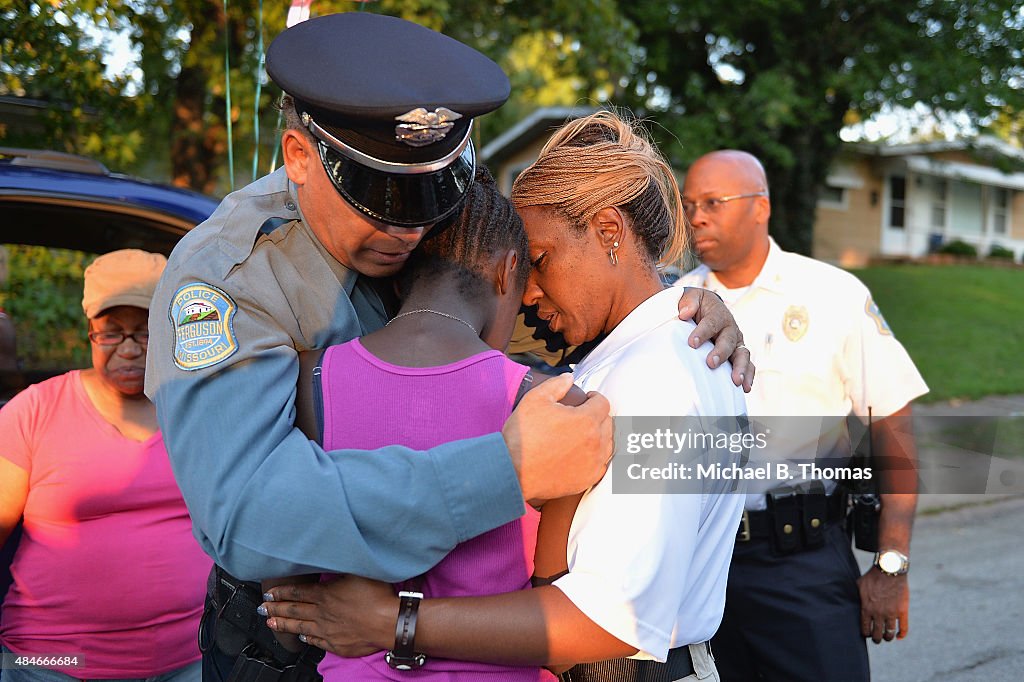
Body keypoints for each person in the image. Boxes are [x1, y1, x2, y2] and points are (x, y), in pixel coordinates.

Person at [145, 13, 752, 679]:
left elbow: (537, 307)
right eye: (379, 195)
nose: (406, 230)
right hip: (288, 641)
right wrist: (507, 470)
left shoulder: (426, 228)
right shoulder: (231, 276)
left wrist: (678, 306)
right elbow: (249, 515)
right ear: (298, 156)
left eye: (427, 194)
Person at [261, 110, 747, 682]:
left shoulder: (658, 374)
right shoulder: (641, 351)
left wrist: (394, 621)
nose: (529, 294)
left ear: (609, 232)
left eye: (540, 261)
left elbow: (607, 622)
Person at [675, 150, 928, 682]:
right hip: (700, 569)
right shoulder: (671, 306)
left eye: (713, 203)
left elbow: (894, 429)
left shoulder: (832, 295)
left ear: (760, 206)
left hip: (804, 565)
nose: (696, 216)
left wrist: (890, 565)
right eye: (689, 203)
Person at [0, 249, 210, 681]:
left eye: (145, 332)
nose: (130, 350)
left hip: (189, 659)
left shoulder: (194, 411)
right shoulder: (35, 410)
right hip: (53, 663)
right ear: (89, 332)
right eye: (111, 334)